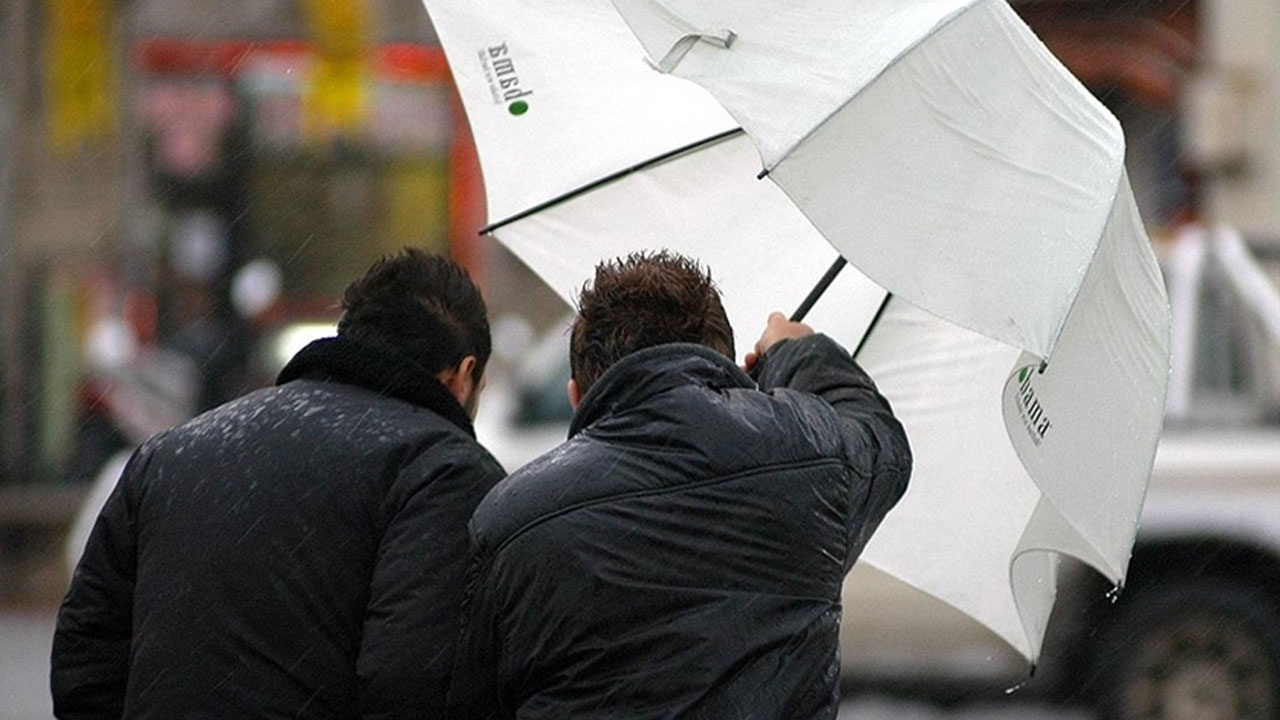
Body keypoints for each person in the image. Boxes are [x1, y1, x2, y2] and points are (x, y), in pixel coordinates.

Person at [448, 250, 912, 719]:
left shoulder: (511, 520)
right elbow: (881, 443)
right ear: (729, 369)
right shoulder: (814, 468)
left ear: (576, 396)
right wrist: (796, 352)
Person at [52, 249, 505, 719]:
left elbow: (86, 654)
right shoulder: (444, 473)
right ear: (463, 375)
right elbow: (415, 684)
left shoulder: (171, 455)